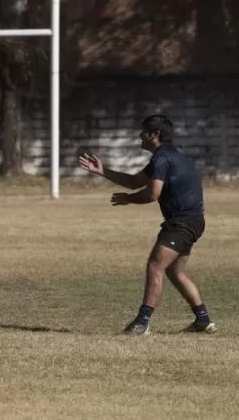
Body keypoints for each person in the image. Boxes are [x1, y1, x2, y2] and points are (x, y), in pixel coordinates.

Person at [78, 113, 215, 336]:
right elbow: (135, 181)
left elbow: (153, 193)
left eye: (143, 132)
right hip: (192, 220)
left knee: (155, 265)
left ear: (155, 134)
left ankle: (142, 322)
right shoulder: (169, 155)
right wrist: (103, 172)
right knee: (174, 271)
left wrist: (129, 199)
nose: (139, 136)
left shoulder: (162, 157)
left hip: (182, 222)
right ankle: (203, 319)